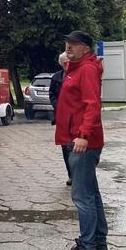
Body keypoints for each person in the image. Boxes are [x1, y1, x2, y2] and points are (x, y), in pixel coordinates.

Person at [54, 30, 108, 250]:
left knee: (82, 197)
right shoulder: (76, 68)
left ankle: (88, 248)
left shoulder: (86, 70)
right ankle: (99, 243)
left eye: (74, 44)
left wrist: (83, 136)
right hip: (74, 139)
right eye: (67, 42)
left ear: (86, 48)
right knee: (92, 195)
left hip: (81, 143)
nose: (68, 46)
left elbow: (92, 105)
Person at [49, 52, 72, 186]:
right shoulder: (56, 77)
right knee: (65, 147)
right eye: (64, 63)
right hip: (61, 117)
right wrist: (58, 106)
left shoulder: (77, 75)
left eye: (68, 62)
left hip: (75, 116)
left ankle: (78, 174)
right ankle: (71, 175)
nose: (67, 64)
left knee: (75, 147)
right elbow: (52, 94)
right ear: (61, 63)